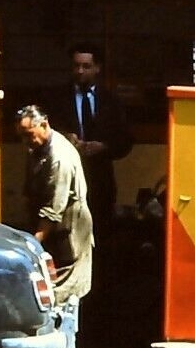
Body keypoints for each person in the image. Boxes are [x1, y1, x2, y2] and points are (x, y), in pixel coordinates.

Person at [15, 104, 93, 348]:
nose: (28, 140)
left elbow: (54, 209)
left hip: (70, 225)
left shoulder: (59, 156)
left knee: (66, 288)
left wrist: (34, 241)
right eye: (23, 135)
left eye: (30, 133)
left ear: (44, 124)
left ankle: (65, 347)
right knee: (54, 285)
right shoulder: (38, 149)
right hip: (50, 222)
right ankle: (59, 345)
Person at [45, 43, 132, 241]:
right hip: (65, 179)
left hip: (100, 179)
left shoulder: (110, 100)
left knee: (102, 236)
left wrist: (104, 147)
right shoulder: (57, 98)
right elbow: (44, 133)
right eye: (76, 66)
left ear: (97, 68)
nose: (80, 71)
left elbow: (125, 139)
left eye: (86, 66)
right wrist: (65, 138)